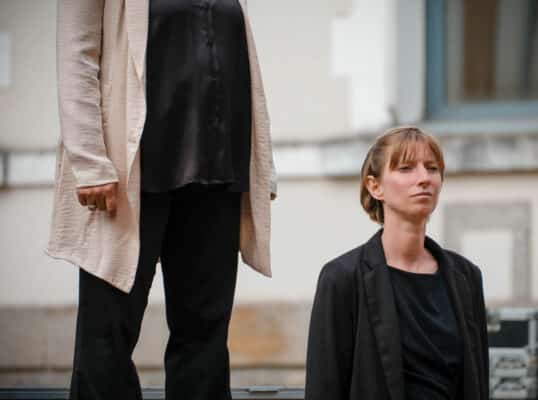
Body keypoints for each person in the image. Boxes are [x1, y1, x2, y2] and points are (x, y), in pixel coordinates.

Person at [47, 1, 276, 399]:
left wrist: (262, 165)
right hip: (128, 173)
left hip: (217, 169)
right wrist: (90, 161)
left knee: (205, 337)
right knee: (106, 336)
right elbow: (76, 54)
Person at [305, 127, 489, 400]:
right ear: (375, 186)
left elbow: (478, 383)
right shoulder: (342, 278)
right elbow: (324, 388)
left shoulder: (466, 276)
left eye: (432, 168)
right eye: (406, 168)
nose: (424, 178)